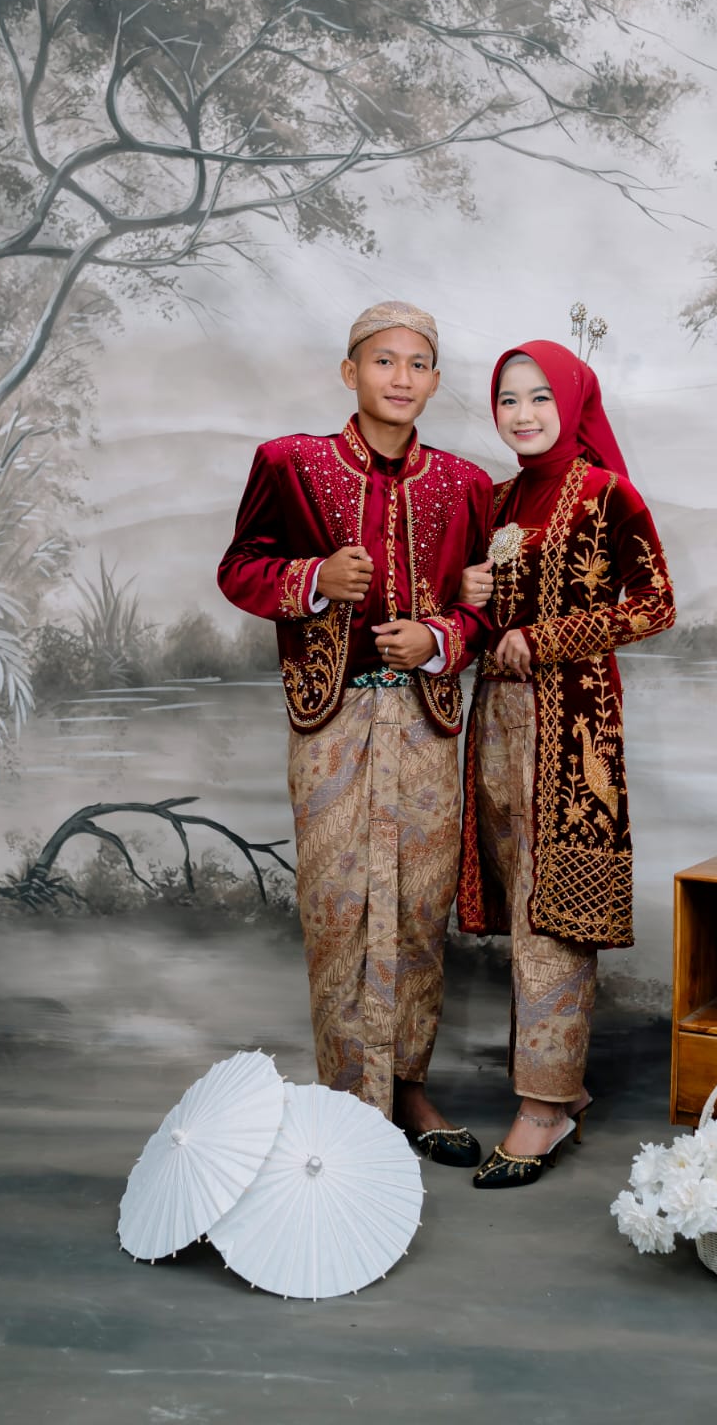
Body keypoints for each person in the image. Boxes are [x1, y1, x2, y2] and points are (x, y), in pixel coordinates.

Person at [217, 301, 493, 1166]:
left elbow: (484, 607)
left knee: (418, 908)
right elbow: (238, 569)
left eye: (417, 364)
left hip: (425, 722)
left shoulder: (466, 485)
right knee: (337, 908)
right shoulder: (289, 464)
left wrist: (438, 639)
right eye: (382, 361)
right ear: (350, 372)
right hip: (331, 719)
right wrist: (314, 578)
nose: (400, 378)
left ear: (435, 381)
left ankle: (407, 1087)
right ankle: (346, 1101)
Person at [456, 340, 676, 1188]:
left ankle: (543, 1109)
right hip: (495, 724)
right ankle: (562, 1086)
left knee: (553, 912)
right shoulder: (495, 499)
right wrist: (467, 599)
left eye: (540, 396)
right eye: (508, 399)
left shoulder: (607, 493)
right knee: (519, 903)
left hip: (574, 730)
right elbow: (474, 619)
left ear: (574, 401)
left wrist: (548, 638)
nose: (522, 414)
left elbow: (655, 604)